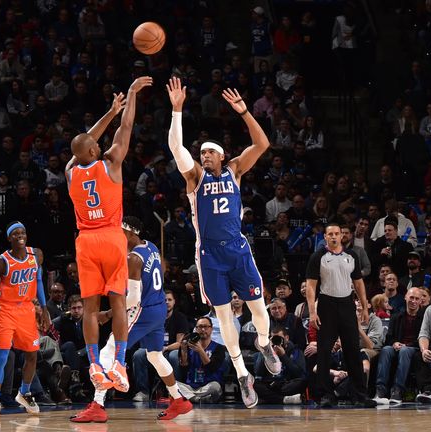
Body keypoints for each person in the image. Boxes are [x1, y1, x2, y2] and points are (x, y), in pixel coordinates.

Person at [165, 76, 281, 408]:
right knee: (223, 317)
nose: (204, 156)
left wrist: (245, 112)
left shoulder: (235, 170)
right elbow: (176, 148)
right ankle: (243, 374)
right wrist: (176, 111)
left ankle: (263, 343)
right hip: (210, 255)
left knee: (259, 310)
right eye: (201, 153)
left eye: (209, 153)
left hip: (238, 249)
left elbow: (262, 145)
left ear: (221, 155)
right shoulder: (195, 177)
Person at [65, 77, 151, 421]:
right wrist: (127, 100)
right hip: (112, 236)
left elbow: (83, 145)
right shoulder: (111, 162)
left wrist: (106, 114)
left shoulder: (71, 173)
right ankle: (118, 362)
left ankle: (93, 364)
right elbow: (125, 128)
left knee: (89, 308)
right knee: (117, 301)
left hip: (85, 239)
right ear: (93, 153)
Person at [75, 217, 192, 423]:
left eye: (119, 231)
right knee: (155, 356)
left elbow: (133, 299)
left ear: (129, 232)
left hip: (143, 310)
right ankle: (179, 399)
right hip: (159, 307)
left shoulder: (133, 258)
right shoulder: (152, 247)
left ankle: (97, 405)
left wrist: (109, 313)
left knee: (108, 350)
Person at [305, 223, 375, 408]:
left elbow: (359, 283)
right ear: (325, 237)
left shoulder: (351, 256)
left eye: (338, 233)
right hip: (326, 304)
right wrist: (312, 312)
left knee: (353, 349)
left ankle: (359, 394)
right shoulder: (318, 256)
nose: (335, 236)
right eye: (331, 234)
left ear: (342, 236)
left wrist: (366, 308)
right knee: (325, 351)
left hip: (347, 304)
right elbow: (311, 286)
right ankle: (326, 395)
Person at [0, 221, 49, 417]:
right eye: (16, 233)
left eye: (23, 232)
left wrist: (44, 309)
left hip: (27, 309)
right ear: (9, 238)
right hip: (5, 310)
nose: (20, 236)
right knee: (2, 356)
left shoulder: (36, 255)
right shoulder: (0, 262)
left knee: (32, 355)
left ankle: (24, 392)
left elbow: (38, 282)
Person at [374, 287, 425, 405]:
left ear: (420, 301)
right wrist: (394, 343)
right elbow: (389, 337)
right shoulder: (396, 316)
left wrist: (405, 345)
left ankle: (397, 390)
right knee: (386, 350)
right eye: (411, 297)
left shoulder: (424, 317)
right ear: (405, 297)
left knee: (405, 351)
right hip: (397, 347)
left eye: (417, 298)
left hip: (414, 348)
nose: (413, 301)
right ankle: (380, 390)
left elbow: (424, 337)